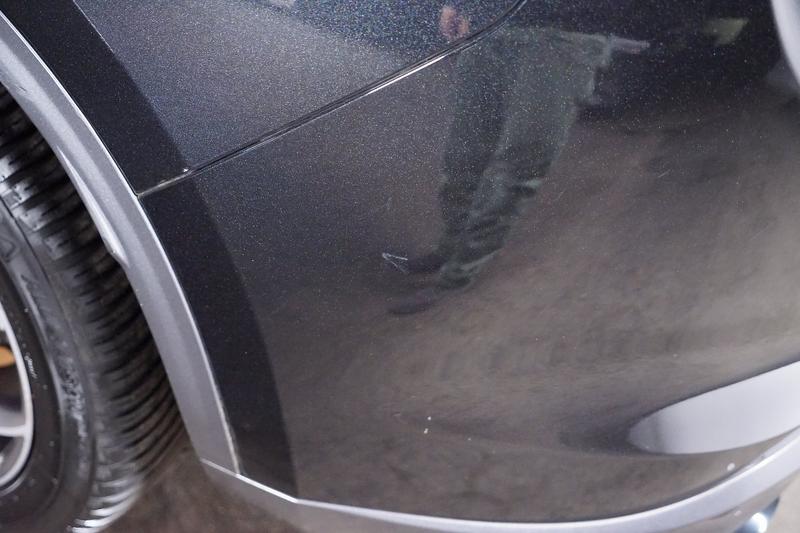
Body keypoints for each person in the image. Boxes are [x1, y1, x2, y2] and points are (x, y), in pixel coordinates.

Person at [388, 2, 646, 314]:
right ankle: (451, 247)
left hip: (565, 36)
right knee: (463, 156)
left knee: (519, 163)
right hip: (491, 26)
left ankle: (458, 275)